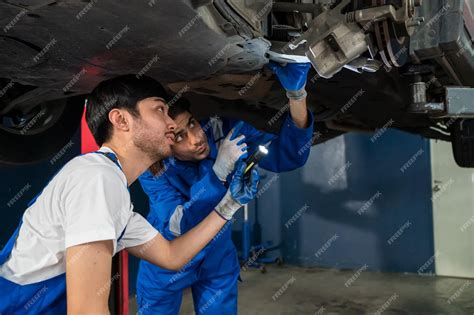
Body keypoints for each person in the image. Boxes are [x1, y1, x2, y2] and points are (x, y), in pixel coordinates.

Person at [0, 75, 259, 314]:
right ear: (121, 120)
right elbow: (87, 311)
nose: (171, 123)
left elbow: (171, 256)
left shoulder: (113, 189)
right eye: (160, 110)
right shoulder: (96, 178)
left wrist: (229, 204)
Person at [136, 62, 314, 314]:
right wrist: (217, 173)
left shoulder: (221, 131)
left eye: (192, 124)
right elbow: (178, 226)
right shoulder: (153, 169)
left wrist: (297, 95)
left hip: (217, 257)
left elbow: (290, 155)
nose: (196, 138)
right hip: (166, 260)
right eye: (178, 137)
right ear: (163, 142)